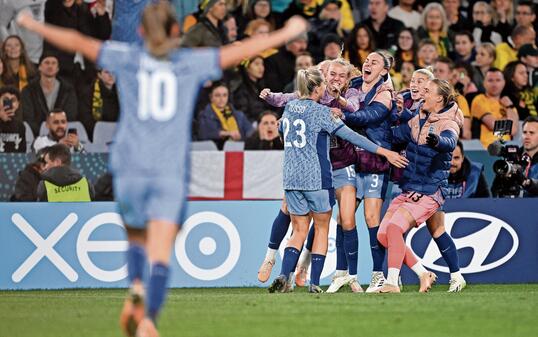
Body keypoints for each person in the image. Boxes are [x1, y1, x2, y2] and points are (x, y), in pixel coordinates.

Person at [17, 2, 309, 335]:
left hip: (129, 165)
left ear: (140, 32)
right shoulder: (189, 62)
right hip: (168, 167)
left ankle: (136, 287)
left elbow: (74, 40)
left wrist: (33, 24)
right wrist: (285, 32)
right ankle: (149, 321)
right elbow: (239, 49)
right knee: (160, 250)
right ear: (175, 32)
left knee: (137, 238)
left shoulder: (125, 57)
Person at [267, 66, 407, 294]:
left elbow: (281, 130)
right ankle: (314, 284)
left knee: (299, 231)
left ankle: (284, 275)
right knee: (322, 229)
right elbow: (353, 137)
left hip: (291, 179)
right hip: (317, 178)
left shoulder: (290, 108)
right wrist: (385, 152)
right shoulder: (322, 113)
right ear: (317, 88)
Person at [378, 79, 462, 293]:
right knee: (384, 234)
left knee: (396, 228)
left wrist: (437, 141)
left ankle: (391, 282)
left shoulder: (448, 122)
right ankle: (426, 274)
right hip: (412, 187)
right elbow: (396, 136)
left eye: (428, 91)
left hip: (430, 189)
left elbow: (449, 141)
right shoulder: (418, 119)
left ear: (439, 98)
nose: (422, 94)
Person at [21, 52, 78, 136]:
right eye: (47, 63)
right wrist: (44, 132)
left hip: (62, 134)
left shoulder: (68, 90)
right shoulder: (28, 90)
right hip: (36, 135)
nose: (50, 66)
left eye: (53, 63)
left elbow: (71, 115)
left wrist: (57, 130)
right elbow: (28, 117)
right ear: (40, 67)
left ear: (58, 68)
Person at [471, 68, 519, 149]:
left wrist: (508, 107)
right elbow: (493, 125)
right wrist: (508, 123)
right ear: (484, 83)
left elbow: (513, 130)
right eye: (490, 80)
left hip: (505, 150)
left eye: (498, 80)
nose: (494, 84)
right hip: (485, 149)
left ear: (504, 83)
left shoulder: (509, 105)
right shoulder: (479, 100)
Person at [197, 82, 253, 149]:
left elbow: (250, 131)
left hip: (240, 148)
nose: (221, 99)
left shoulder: (239, 115)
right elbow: (204, 134)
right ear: (211, 97)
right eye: (217, 95)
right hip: (217, 150)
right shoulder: (205, 115)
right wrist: (225, 134)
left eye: (224, 95)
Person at [0, 86, 25, 153]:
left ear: (17, 104)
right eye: (5, 100)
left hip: (13, 161)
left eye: (13, 100)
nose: (9, 104)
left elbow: (22, 152)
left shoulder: (20, 126)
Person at [521, 116, 538, 197]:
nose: (526, 137)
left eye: (531, 133)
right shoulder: (512, 158)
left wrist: (531, 184)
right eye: (524, 132)